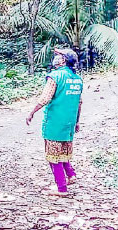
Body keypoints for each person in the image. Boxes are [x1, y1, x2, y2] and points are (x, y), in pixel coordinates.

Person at [25, 48, 83, 196]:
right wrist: (77, 122)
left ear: (63, 60)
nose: (56, 57)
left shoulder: (55, 76)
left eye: (59, 55)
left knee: (53, 155)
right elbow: (79, 103)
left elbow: (45, 98)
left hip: (54, 122)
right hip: (69, 123)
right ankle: (71, 175)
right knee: (63, 151)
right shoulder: (77, 79)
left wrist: (32, 112)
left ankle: (61, 188)